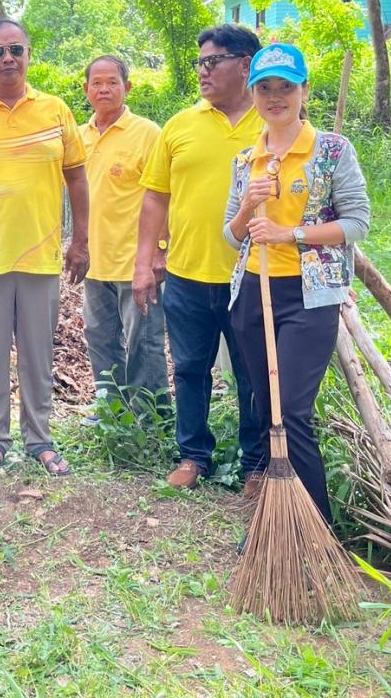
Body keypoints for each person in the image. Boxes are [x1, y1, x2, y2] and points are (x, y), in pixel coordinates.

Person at [224, 42, 370, 523]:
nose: (275, 97)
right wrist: (249, 206)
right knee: (267, 407)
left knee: (291, 410)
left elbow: (356, 224)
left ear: (304, 90)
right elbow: (232, 235)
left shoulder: (331, 151)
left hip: (308, 298)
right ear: (253, 94)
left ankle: (315, 527)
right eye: (264, 88)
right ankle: (276, 521)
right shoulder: (246, 159)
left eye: (285, 86)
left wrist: (293, 234)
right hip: (252, 292)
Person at [0, 18, 90, 476]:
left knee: (38, 355)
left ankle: (40, 439)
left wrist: (80, 239)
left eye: (15, 50)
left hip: (40, 255)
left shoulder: (56, 110)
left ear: (28, 55)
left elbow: (77, 177)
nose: (7, 59)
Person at [133, 24, 268, 495]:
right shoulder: (180, 125)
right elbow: (155, 198)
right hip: (188, 273)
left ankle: (256, 462)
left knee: (254, 372)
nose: (203, 72)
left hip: (251, 275)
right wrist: (144, 263)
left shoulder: (273, 122)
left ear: (246, 65)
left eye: (213, 62)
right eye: (200, 63)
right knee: (190, 368)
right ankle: (193, 455)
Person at [80, 55, 167, 423]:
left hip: (136, 261)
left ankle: (150, 418)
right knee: (99, 338)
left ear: (127, 87)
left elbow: (165, 196)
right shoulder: (79, 137)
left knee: (144, 342)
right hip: (94, 262)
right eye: (96, 83)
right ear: (86, 90)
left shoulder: (148, 133)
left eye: (112, 82)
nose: (103, 89)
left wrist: (158, 253)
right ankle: (112, 412)